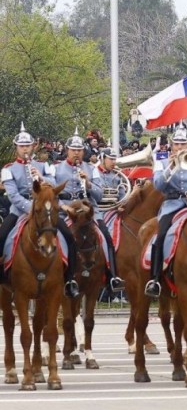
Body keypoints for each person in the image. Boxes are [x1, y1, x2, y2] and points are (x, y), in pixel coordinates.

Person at [144, 126, 187, 299]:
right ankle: (155, 279)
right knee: (161, 235)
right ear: (172, 146)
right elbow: (158, 185)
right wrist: (171, 166)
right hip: (171, 205)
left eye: (183, 144)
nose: (180, 148)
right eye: (177, 144)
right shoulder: (162, 162)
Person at [0, 123, 59, 287]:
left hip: (44, 212)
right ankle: (3, 276)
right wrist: (31, 209)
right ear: (16, 148)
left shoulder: (44, 166)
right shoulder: (8, 169)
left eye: (27, 146)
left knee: (68, 235)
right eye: (21, 146)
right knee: (1, 236)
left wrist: (41, 177)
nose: (25, 149)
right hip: (19, 211)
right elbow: (13, 195)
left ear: (33, 147)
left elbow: (55, 186)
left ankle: (68, 277)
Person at [51, 128, 104, 299]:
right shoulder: (55, 169)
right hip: (66, 211)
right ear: (67, 150)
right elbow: (50, 195)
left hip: (89, 211)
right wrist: (62, 207)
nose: (76, 153)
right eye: (73, 150)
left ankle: (112, 276)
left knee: (106, 237)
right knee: (58, 238)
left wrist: (88, 183)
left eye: (79, 150)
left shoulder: (92, 169)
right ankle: (63, 276)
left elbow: (99, 195)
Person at [93, 147, 127, 292]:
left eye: (114, 159)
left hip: (114, 212)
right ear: (102, 158)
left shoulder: (118, 176)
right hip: (99, 212)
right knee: (107, 238)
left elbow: (122, 197)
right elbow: (95, 196)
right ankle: (111, 275)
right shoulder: (94, 174)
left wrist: (123, 203)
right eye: (110, 159)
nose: (114, 162)